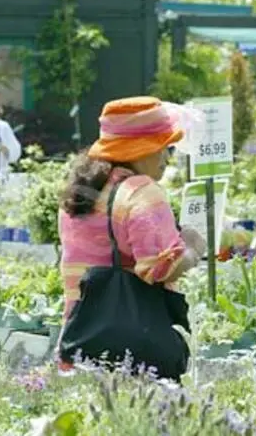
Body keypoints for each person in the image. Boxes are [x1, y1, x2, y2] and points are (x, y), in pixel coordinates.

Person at [57, 96, 206, 372]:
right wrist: (194, 248)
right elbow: (161, 268)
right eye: (161, 146)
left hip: (78, 340)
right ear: (139, 150)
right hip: (132, 351)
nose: (166, 156)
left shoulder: (80, 193)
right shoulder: (140, 191)